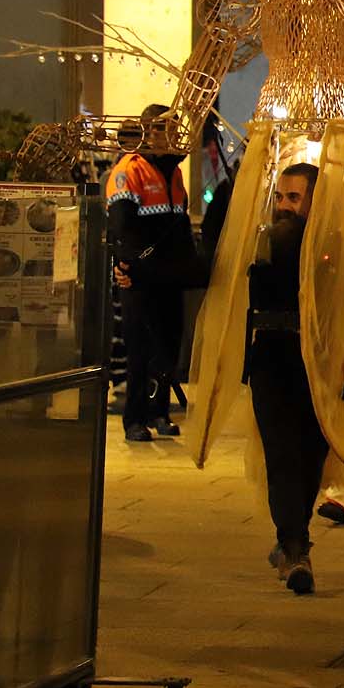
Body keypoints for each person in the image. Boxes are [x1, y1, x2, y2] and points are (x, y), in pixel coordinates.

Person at [241, 163, 332, 593]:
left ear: (315, 202)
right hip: (271, 361)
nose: (283, 207)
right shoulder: (262, 244)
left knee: (312, 455)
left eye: (293, 198)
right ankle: (296, 550)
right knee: (281, 455)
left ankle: (292, 536)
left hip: (317, 363)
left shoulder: (336, 244)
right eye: (280, 197)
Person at [106, 105, 194, 442]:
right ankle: (135, 419)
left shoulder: (174, 172)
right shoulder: (129, 169)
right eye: (160, 128)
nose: (167, 134)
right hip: (140, 277)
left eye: (171, 127)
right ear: (147, 132)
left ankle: (159, 413)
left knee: (167, 347)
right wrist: (125, 266)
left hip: (169, 275)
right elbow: (121, 225)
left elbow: (179, 221)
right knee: (140, 350)